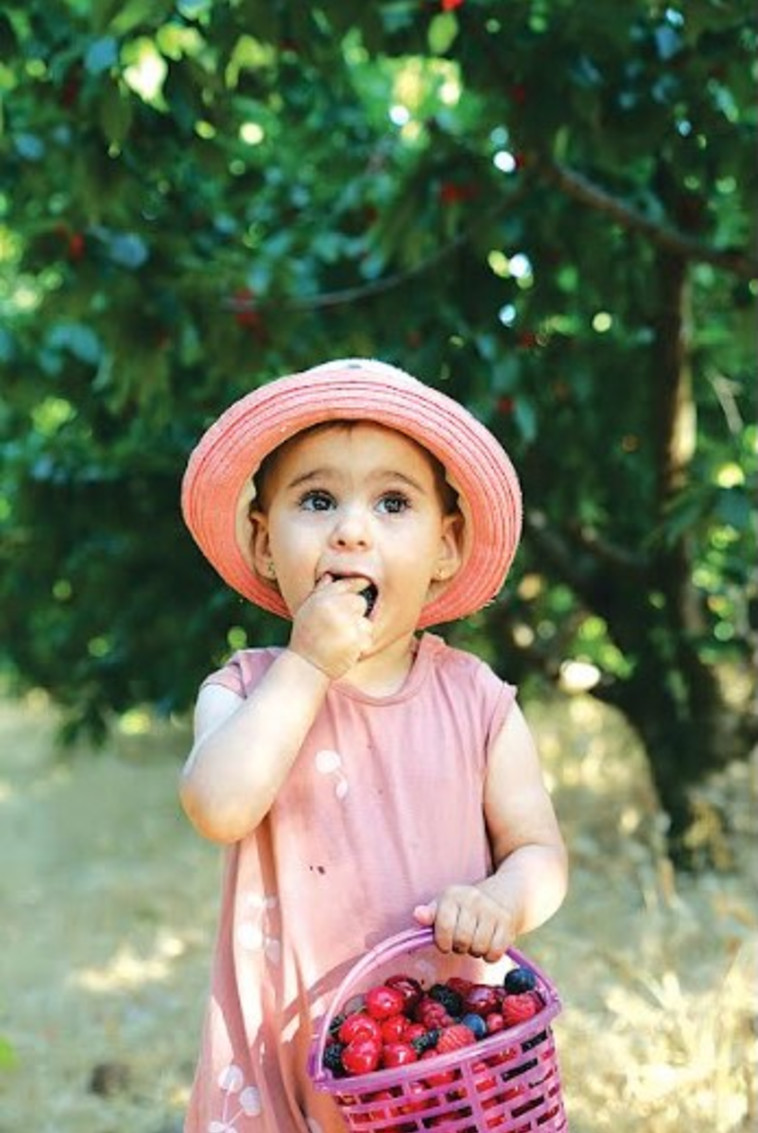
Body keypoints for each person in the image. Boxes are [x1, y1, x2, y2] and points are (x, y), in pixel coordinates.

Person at [179, 357, 568, 1133]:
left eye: (393, 502)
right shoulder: (247, 690)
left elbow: (540, 853)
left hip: (434, 1065)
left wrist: (501, 898)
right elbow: (218, 806)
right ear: (262, 543)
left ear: (448, 546)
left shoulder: (479, 703)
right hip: (276, 1071)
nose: (351, 527)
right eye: (317, 499)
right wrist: (308, 664)